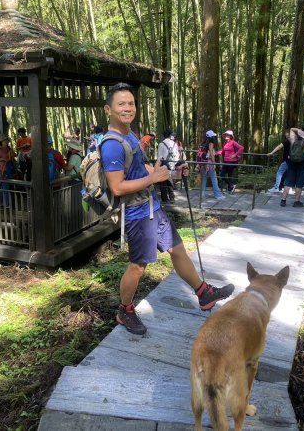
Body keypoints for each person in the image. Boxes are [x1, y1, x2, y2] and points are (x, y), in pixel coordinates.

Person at [100, 82, 234, 335]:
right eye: (121, 104)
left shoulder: (129, 136)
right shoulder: (112, 145)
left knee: (178, 249)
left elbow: (144, 171)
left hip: (153, 207)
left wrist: (166, 173)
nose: (128, 108)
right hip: (137, 214)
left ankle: (204, 293)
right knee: (138, 266)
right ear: (109, 109)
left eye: (131, 103)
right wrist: (154, 178)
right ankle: (124, 310)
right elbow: (117, 187)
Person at [280, 124, 304, 207]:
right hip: (303, 165)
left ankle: (283, 200)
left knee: (288, 183)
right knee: (299, 184)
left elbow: (291, 128)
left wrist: (299, 131)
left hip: (292, 163)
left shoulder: (293, 137)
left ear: (301, 129)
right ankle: (296, 202)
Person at [199, 130, 224, 200]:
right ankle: (218, 195)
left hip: (203, 163)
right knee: (214, 179)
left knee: (203, 179)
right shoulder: (210, 143)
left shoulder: (202, 143)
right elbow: (211, 154)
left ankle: (202, 194)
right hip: (209, 163)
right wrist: (214, 163)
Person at [157, 129, 181, 203]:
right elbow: (177, 156)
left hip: (164, 164)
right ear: (170, 135)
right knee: (170, 180)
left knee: (163, 181)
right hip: (172, 165)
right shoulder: (175, 144)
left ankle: (165, 198)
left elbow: (159, 157)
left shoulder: (161, 144)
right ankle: (172, 197)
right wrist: (173, 164)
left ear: (163, 136)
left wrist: (157, 167)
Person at [217, 130, 244, 194]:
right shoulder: (225, 143)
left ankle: (230, 189)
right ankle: (231, 186)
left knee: (229, 175)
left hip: (232, 162)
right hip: (226, 161)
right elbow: (222, 151)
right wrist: (215, 153)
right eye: (226, 134)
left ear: (231, 136)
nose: (226, 136)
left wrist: (235, 154)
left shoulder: (233, 142)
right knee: (222, 175)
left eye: (228, 135)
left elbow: (241, 148)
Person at [267, 129, 291, 193]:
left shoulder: (286, 141)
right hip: (294, 161)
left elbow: (279, 147)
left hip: (287, 160)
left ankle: (276, 187)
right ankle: (289, 188)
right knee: (289, 174)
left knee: (279, 172)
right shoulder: (296, 141)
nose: (285, 135)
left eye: (286, 133)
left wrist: (272, 153)